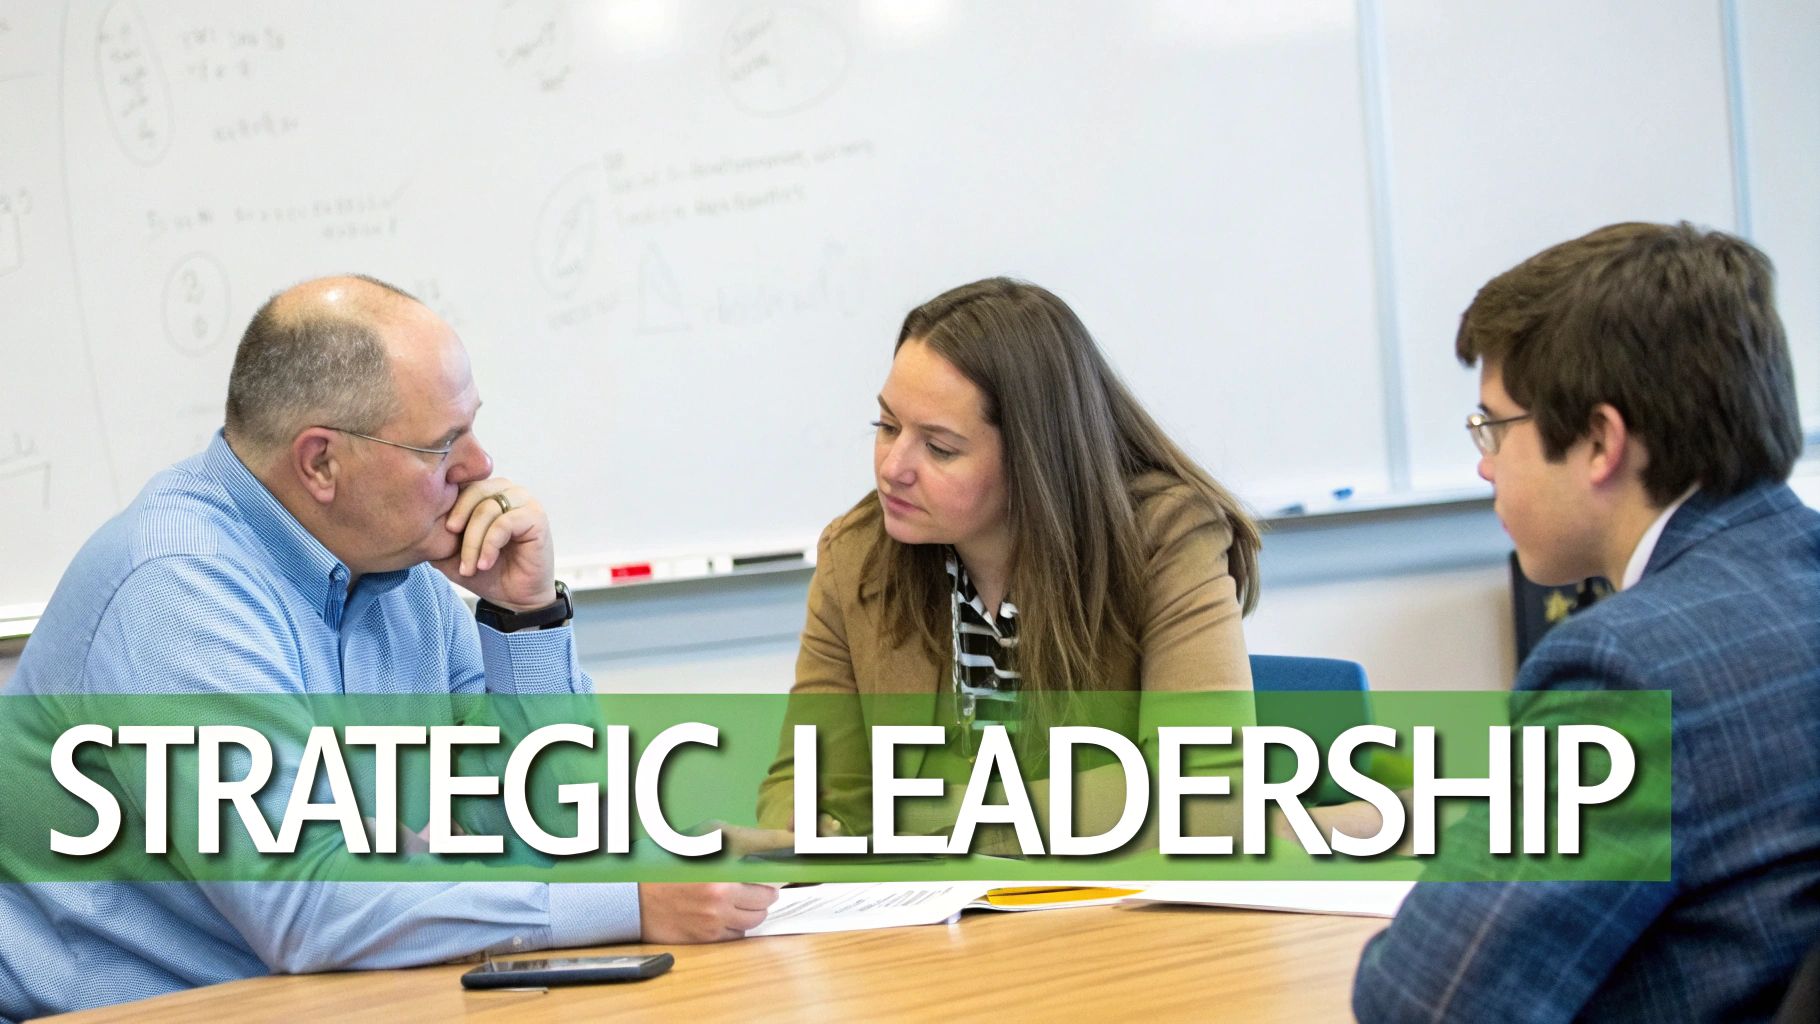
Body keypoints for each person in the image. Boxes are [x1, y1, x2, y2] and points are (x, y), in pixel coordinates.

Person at [0, 276, 776, 1020]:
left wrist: (524, 618)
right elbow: (306, 904)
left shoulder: (400, 577)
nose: (480, 469)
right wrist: (630, 901)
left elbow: (562, 834)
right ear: (321, 462)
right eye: (444, 444)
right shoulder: (176, 589)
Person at [1353, 223, 1820, 1020]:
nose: (1483, 463)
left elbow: (1421, 1005)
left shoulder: (1627, 669)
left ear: (1600, 440)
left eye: (1494, 426)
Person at [756, 277, 1260, 845]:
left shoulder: (1165, 536)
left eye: (939, 447)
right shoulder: (856, 556)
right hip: (933, 924)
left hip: (1111, 921)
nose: (893, 467)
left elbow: (1203, 791)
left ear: (1034, 456)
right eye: (887, 426)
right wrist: (809, 822)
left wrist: (929, 824)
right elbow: (807, 788)